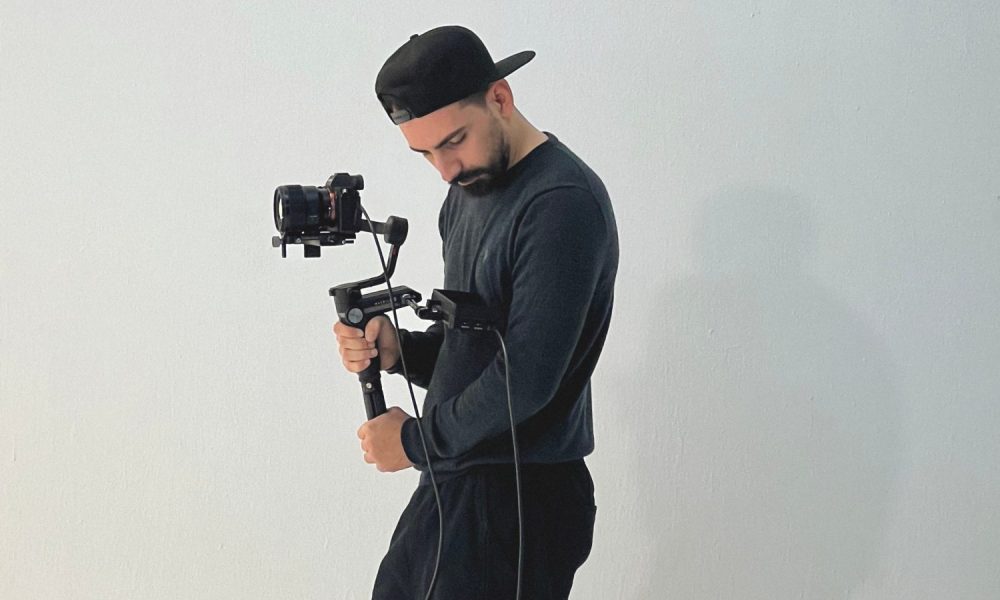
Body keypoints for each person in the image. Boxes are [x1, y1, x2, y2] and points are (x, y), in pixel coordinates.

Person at [333, 25, 619, 599]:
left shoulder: (560, 205)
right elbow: (477, 344)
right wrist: (401, 351)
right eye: (425, 154)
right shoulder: (465, 194)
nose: (445, 169)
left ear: (500, 98)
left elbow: (526, 379)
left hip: (519, 498)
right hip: (458, 480)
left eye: (454, 141)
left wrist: (412, 442)